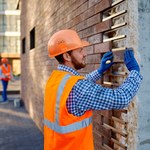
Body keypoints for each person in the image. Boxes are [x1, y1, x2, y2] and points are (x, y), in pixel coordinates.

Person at [44, 29, 142, 150]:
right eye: (80, 50)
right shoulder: (78, 87)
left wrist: (100, 71)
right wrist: (134, 72)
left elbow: (79, 87)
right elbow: (120, 98)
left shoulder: (54, 80)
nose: (84, 54)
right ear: (66, 56)